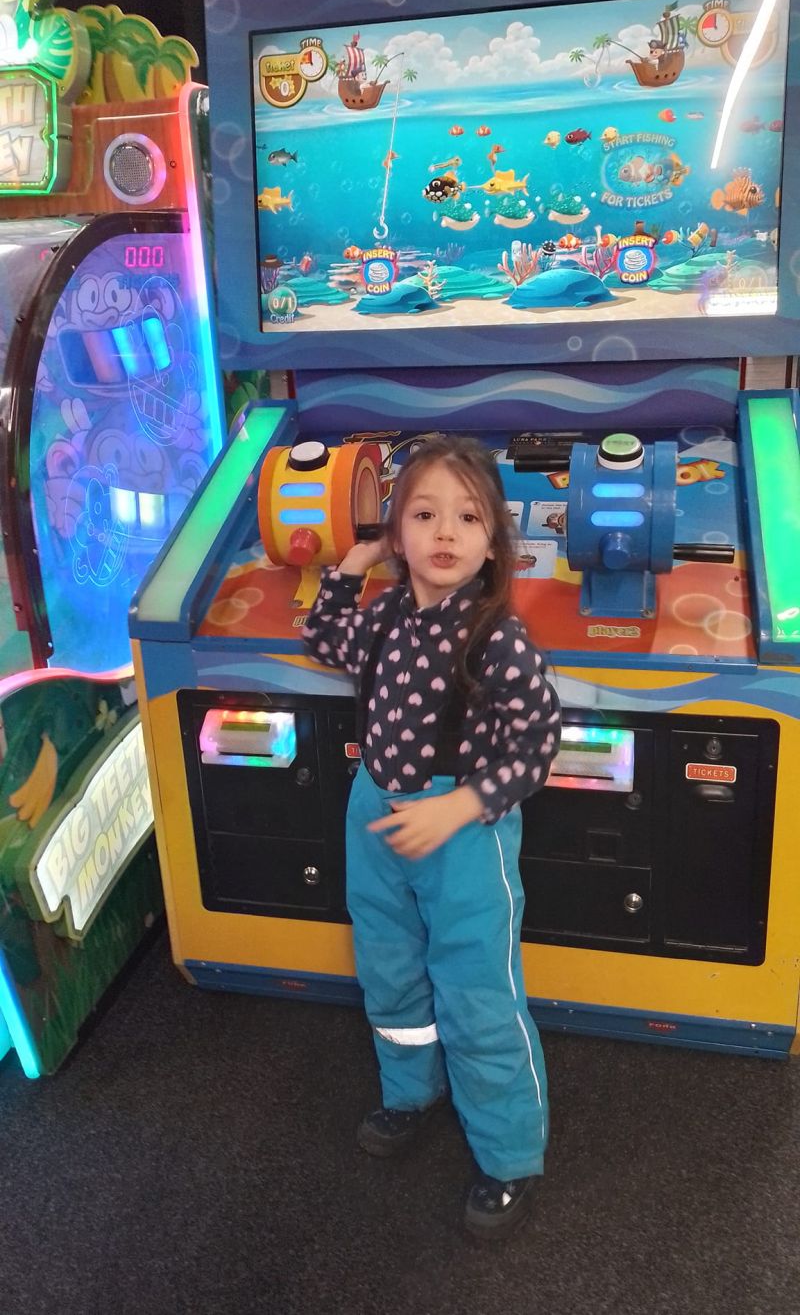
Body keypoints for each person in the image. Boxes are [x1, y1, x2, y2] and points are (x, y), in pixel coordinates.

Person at [303, 435, 561, 1240]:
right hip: (376, 816)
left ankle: (509, 1155)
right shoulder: (384, 617)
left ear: (493, 541)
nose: (445, 531)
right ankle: (410, 1089)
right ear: (398, 534)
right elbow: (325, 636)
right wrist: (352, 566)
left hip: (462, 836)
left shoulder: (497, 637)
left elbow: (539, 742)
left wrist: (461, 805)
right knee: (389, 968)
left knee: (477, 991)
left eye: (468, 517)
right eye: (423, 515)